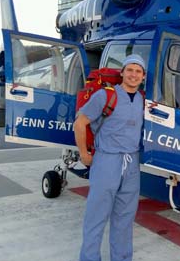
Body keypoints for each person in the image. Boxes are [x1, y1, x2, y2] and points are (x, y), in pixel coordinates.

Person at [74, 54, 146, 261]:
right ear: (122, 72)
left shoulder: (143, 100)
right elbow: (80, 123)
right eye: (130, 70)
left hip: (131, 163)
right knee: (96, 217)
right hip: (107, 160)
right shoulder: (106, 95)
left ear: (142, 76)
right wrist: (84, 154)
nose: (133, 74)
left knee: (125, 218)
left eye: (138, 71)